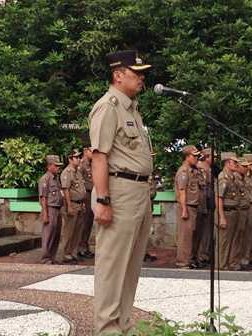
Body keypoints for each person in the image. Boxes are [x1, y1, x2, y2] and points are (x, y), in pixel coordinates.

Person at [88, 50, 153, 335]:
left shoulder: (131, 109)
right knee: (112, 267)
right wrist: (103, 200)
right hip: (119, 191)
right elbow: (99, 156)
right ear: (118, 74)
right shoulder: (108, 106)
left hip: (139, 191)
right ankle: (106, 329)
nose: (142, 77)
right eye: (136, 72)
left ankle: (122, 327)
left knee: (130, 267)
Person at [174, 145, 204, 269]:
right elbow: (182, 191)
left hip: (193, 207)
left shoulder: (192, 171)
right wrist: (185, 210)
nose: (196, 158)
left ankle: (188, 260)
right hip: (186, 207)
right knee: (184, 237)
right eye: (194, 156)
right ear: (187, 157)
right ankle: (182, 263)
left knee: (190, 236)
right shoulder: (183, 172)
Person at [215, 152, 240, 270]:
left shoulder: (231, 176)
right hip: (226, 212)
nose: (236, 164)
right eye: (234, 162)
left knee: (230, 241)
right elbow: (219, 198)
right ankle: (220, 267)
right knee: (223, 242)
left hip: (233, 212)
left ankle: (226, 265)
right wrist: (222, 217)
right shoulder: (223, 178)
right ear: (226, 163)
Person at [60, 149, 86, 264]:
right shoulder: (67, 172)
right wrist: (69, 206)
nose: (79, 159)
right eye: (76, 158)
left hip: (79, 204)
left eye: (79, 157)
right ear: (70, 160)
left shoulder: (77, 172)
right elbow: (66, 190)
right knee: (69, 232)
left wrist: (83, 203)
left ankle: (73, 253)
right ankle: (66, 255)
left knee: (77, 232)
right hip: (72, 204)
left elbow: (81, 189)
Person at [38, 155, 64, 265]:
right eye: (56, 166)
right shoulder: (45, 179)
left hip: (57, 209)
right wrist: (45, 214)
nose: (58, 168)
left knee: (56, 235)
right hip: (50, 209)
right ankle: (46, 259)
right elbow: (43, 197)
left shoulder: (56, 178)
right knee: (48, 235)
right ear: (49, 166)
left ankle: (52, 258)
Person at [229, 156, 251, 271]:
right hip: (239, 210)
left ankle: (238, 261)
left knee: (241, 238)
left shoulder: (241, 178)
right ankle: (234, 263)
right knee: (236, 239)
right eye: (244, 166)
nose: (246, 169)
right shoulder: (235, 178)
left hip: (244, 210)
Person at [240, 153, 252, 270]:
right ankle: (242, 259)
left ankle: (247, 257)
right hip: (245, 206)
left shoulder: (251, 176)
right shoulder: (242, 177)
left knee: (250, 235)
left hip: (251, 204)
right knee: (244, 235)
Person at [78, 145, 95, 259]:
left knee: (88, 222)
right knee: (84, 223)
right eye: (91, 150)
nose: (92, 152)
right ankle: (81, 248)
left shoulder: (92, 164)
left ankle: (85, 246)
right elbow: (80, 182)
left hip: (92, 194)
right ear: (85, 151)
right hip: (86, 195)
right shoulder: (82, 165)